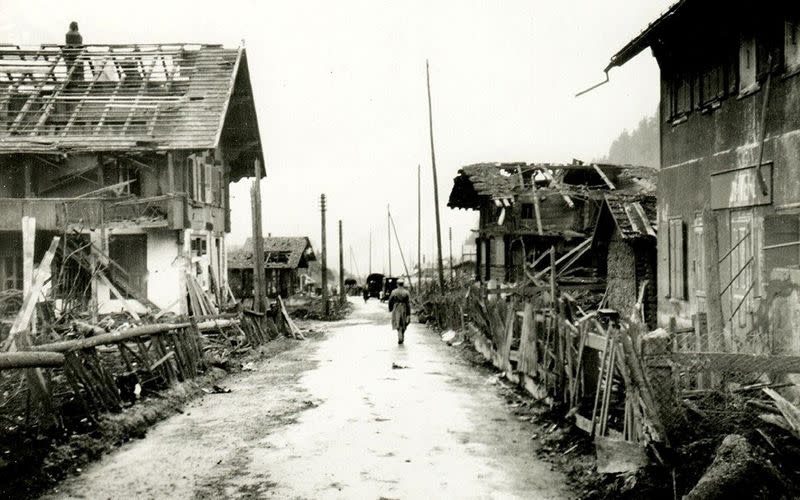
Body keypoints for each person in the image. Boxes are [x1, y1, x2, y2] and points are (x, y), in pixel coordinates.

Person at [388, 279, 410, 344]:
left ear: (397, 284)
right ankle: (402, 333)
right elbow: (408, 303)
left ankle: (400, 334)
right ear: (403, 284)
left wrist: (390, 308)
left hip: (396, 307)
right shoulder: (406, 292)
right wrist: (409, 313)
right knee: (404, 322)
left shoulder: (394, 292)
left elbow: (390, 300)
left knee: (397, 321)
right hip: (404, 308)